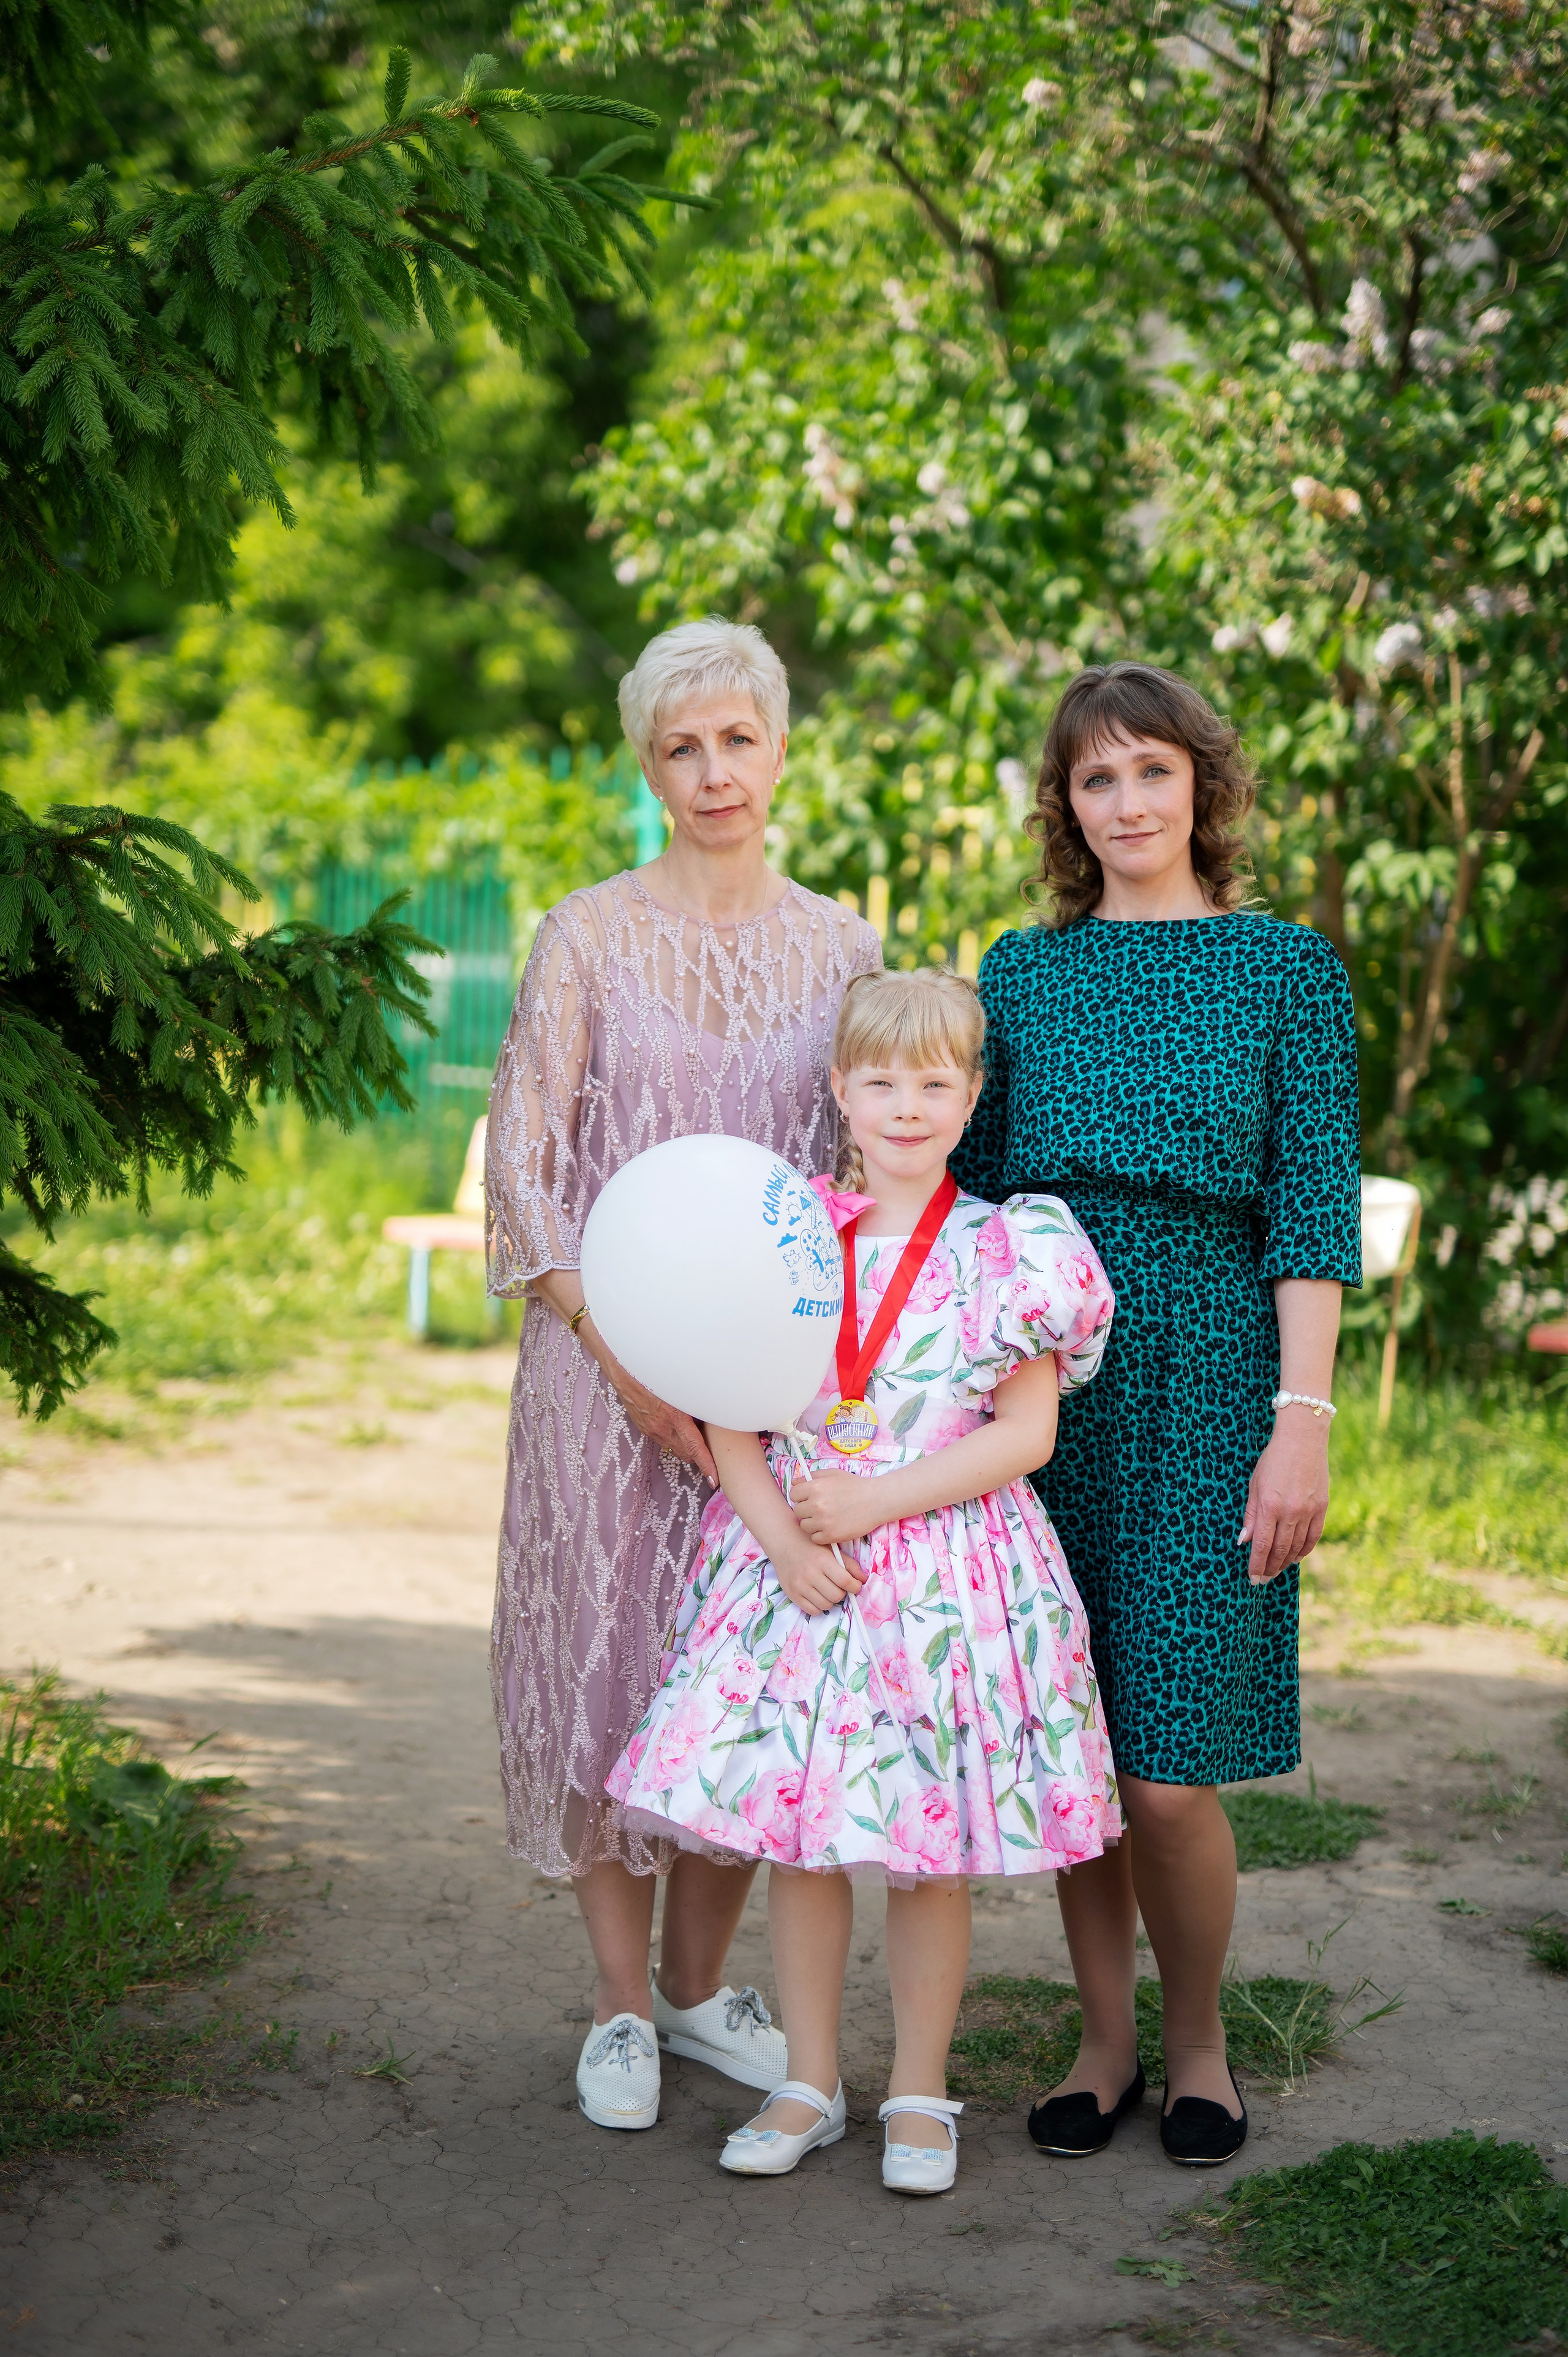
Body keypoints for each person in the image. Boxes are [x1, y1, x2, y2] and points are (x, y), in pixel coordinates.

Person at [606, 968, 1119, 2194]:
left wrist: (875, 1500)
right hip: (801, 1579)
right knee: (805, 1838)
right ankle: (808, 2082)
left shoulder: (1007, 1244)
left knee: (928, 1844)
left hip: (946, 1575)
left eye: (932, 1082)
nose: (904, 1104)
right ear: (839, 1089)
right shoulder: (788, 1240)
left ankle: (919, 2093)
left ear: (969, 1096)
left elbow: (1026, 1434)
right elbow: (733, 1412)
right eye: (879, 1080)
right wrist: (784, 1539)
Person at [952, 660, 1360, 2168]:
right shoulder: (1022, 974)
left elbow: (1311, 1207)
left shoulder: (1282, 968)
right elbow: (972, 1202)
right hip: (1052, 1393)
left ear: (1201, 785)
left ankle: (1197, 2039)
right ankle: (1102, 2038)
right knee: (1081, 1743)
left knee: (1166, 1767)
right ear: (1064, 807)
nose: (1123, 802)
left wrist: (1298, 1417)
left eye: (1149, 772)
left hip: (1213, 1384)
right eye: (1093, 779)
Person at [484, 617, 881, 2132]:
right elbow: (522, 1165)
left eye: (738, 738)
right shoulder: (585, 931)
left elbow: (859, 1167)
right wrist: (619, 1355)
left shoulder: (845, 946)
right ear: (648, 765)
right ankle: (612, 2009)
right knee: (601, 1656)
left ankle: (697, 1990)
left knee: (734, 1681)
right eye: (680, 746)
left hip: (771, 1392)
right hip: (599, 1381)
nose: (714, 771)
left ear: (779, 746)